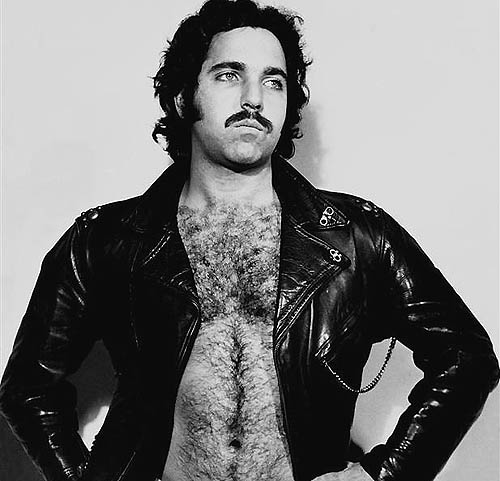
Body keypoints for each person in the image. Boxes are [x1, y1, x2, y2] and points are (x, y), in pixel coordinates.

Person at [1, 0, 498, 480]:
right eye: (228, 75)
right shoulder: (105, 241)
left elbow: (467, 358)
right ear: (183, 97)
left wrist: (382, 474)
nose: (254, 99)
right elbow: (28, 388)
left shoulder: (357, 237)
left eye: (274, 82)